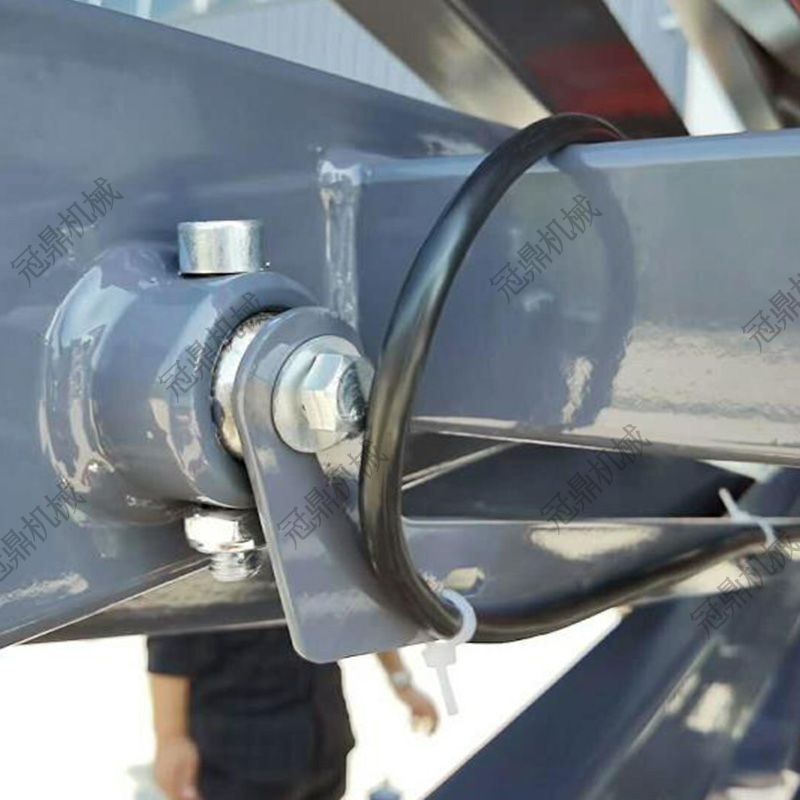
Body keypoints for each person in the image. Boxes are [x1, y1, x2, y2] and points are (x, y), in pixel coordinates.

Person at [148, 628, 438, 800]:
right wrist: (170, 737)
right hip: (242, 755)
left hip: (325, 743)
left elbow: (364, 602)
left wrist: (402, 683)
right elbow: (171, 633)